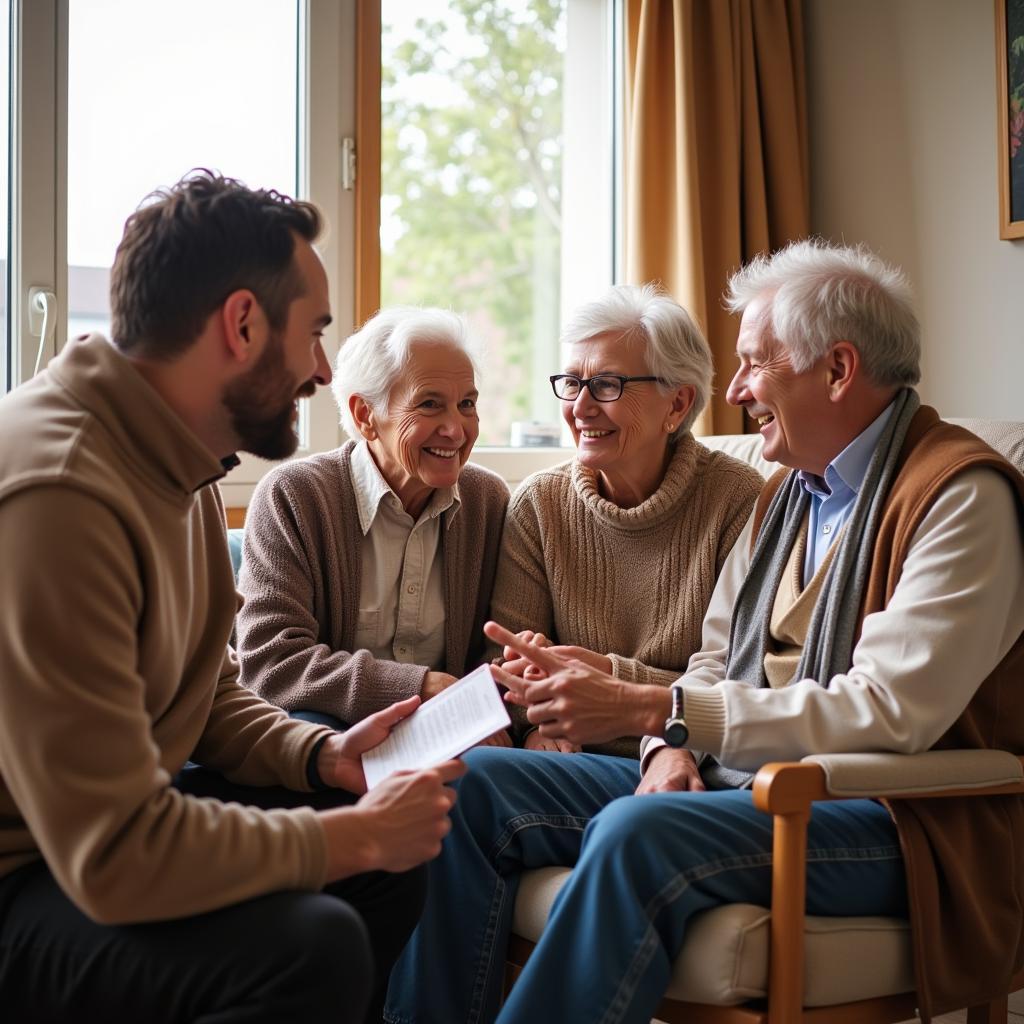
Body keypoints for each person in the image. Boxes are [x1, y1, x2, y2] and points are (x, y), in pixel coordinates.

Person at [385, 240, 1024, 1024]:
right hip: (744, 783)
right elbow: (716, 663)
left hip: (892, 818)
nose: (743, 390)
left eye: (757, 363)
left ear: (838, 369)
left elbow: (889, 714)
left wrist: (658, 716)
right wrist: (669, 749)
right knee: (470, 788)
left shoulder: (960, 497)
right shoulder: (789, 497)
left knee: (636, 832)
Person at [0, 171, 466, 1024]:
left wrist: (323, 758)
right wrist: (353, 834)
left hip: (97, 839)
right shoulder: (60, 490)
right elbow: (112, 854)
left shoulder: (180, 458)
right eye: (315, 334)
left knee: (386, 860)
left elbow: (205, 692)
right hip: (29, 877)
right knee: (310, 942)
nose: (324, 371)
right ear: (243, 323)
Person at [488, 284, 761, 757]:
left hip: (688, 760)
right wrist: (535, 720)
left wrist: (611, 679)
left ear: (676, 405)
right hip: (571, 759)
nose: (580, 407)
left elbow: (746, 682)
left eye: (608, 384)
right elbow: (501, 671)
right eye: (572, 382)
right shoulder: (539, 505)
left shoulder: (738, 501)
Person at [236, 306, 509, 736]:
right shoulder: (295, 496)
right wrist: (420, 687)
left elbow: (498, 650)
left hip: (452, 734)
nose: (456, 430)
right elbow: (271, 663)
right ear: (365, 416)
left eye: (467, 404)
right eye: (430, 405)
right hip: (331, 733)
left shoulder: (487, 501)